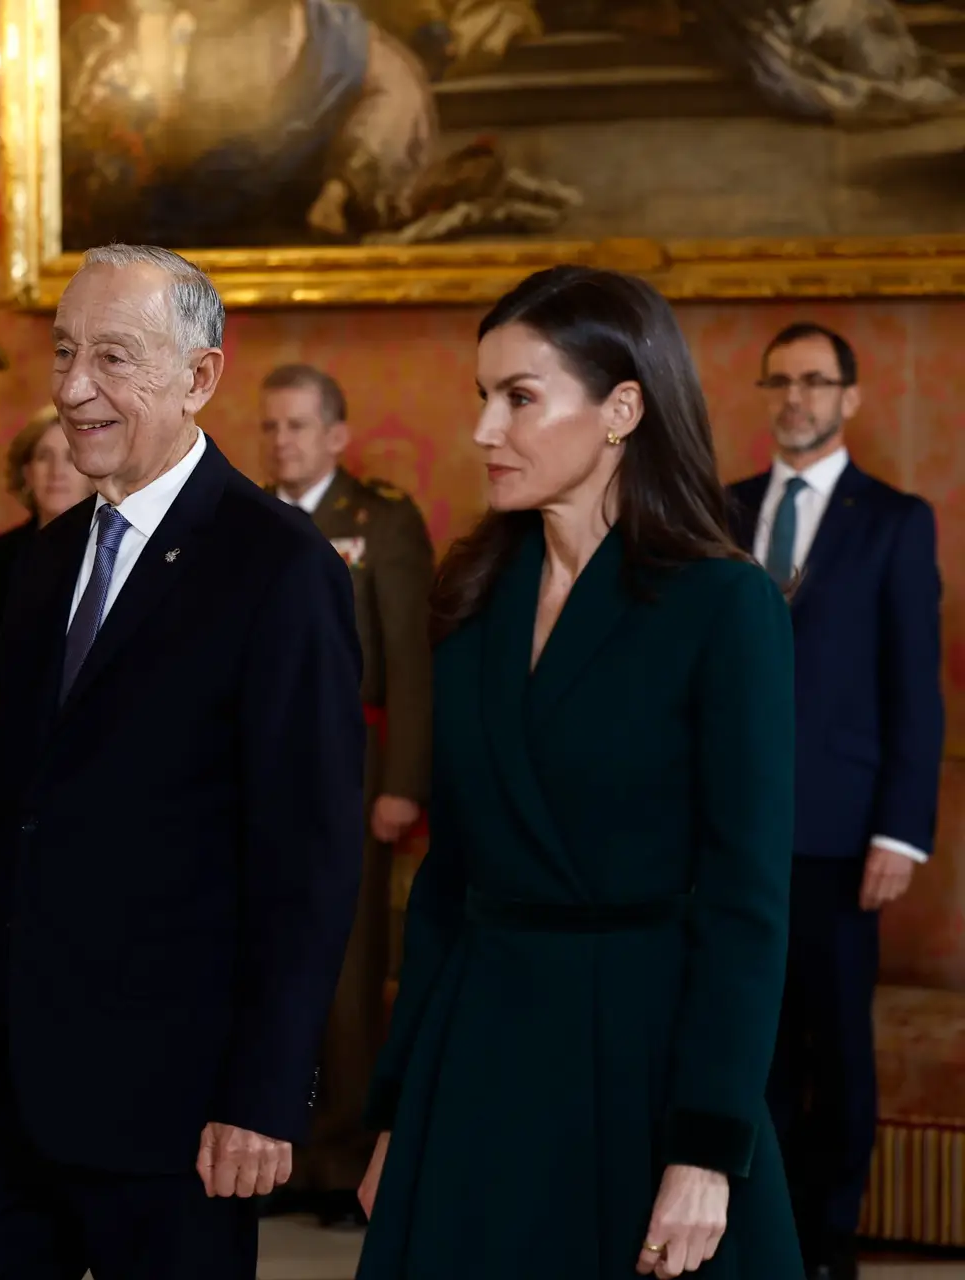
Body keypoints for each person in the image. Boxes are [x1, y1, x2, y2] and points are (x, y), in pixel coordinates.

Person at [0, 243, 366, 1279]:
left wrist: (265, 1091)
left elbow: (309, 859)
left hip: (175, 1102)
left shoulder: (280, 567)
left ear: (200, 375)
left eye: (112, 356)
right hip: (1, 1092)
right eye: (63, 353)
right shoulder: (41, 561)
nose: (70, 389)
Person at [356, 265, 803, 1279]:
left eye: (520, 397)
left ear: (622, 410)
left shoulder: (723, 607)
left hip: (640, 1062)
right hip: (475, 1062)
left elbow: (746, 904)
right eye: (482, 396)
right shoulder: (470, 597)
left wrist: (707, 1144)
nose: (483, 429)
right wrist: (395, 1111)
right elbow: (443, 887)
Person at [727, 323, 943, 1280]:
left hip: (841, 836)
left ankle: (829, 1243)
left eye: (816, 382)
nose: (795, 397)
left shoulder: (894, 519)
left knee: (837, 1056)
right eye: (781, 380)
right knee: (744, 1042)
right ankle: (756, 1238)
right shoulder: (721, 509)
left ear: (849, 398)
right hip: (730, 831)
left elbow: (916, 689)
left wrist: (901, 830)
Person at [257, 363, 433, 1225]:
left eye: (297, 426)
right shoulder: (243, 517)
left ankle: (345, 1161)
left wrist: (403, 783)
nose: (282, 442)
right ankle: (275, 1154)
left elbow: (410, 658)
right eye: (271, 427)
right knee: (264, 960)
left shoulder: (380, 520)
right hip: (256, 773)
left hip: (353, 768)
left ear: (335, 435)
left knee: (349, 969)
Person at [0, 407, 94, 825]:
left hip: (85, 768)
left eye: (70, 457)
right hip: (8, 769)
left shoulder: (112, 552)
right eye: (43, 457)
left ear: (90, 470)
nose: (56, 471)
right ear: (25, 472)